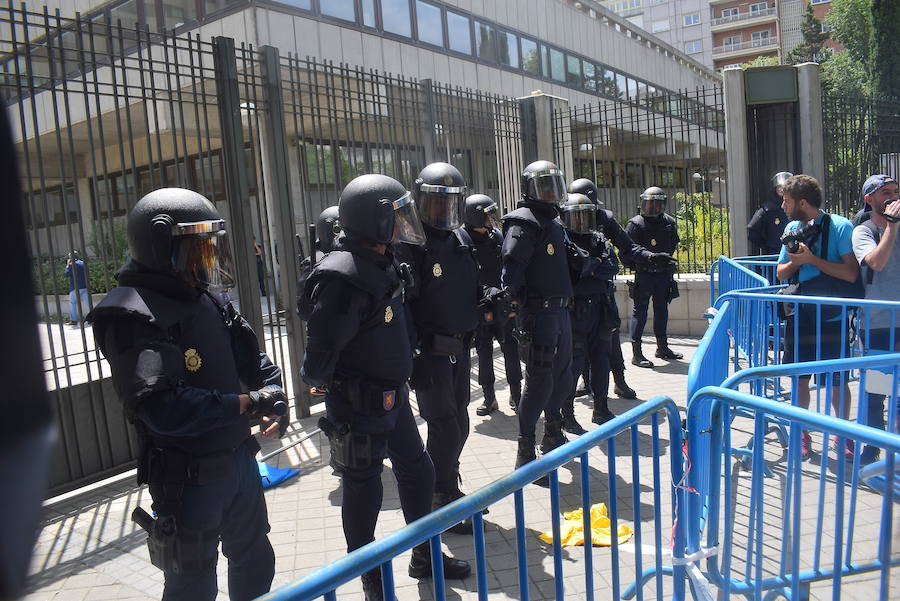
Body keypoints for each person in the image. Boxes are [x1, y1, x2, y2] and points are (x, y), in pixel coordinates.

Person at [87, 188, 288, 601]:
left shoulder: (209, 299)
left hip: (239, 462)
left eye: (209, 249)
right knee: (192, 585)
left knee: (255, 561)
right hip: (187, 478)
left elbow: (255, 361)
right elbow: (162, 407)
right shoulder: (131, 314)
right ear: (162, 245)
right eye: (196, 250)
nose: (205, 262)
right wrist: (247, 404)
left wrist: (277, 399)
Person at [300, 174, 470, 600]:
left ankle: (424, 555)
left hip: (393, 401)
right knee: (365, 492)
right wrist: (322, 382)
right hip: (358, 407)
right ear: (373, 221)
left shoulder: (383, 260)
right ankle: (371, 576)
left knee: (419, 471)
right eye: (395, 217)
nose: (403, 225)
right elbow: (320, 352)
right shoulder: (342, 276)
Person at [394, 162, 481, 532]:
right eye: (435, 204)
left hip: (460, 347)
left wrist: (489, 300)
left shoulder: (461, 240)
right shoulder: (410, 244)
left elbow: (472, 288)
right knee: (444, 426)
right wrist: (413, 352)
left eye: (449, 204)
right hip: (429, 352)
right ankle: (437, 498)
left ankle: (448, 484)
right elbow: (403, 304)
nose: (442, 212)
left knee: (459, 422)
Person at [559, 192, 675, 434]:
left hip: (601, 307)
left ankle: (601, 409)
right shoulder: (561, 238)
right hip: (574, 311)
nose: (582, 222)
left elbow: (614, 262)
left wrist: (651, 257)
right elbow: (575, 271)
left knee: (602, 358)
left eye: (586, 216)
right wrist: (590, 267)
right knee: (574, 363)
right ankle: (566, 415)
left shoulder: (599, 237)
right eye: (576, 217)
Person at [776, 174, 860, 460]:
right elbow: (780, 273)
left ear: (802, 202)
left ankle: (842, 432)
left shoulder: (839, 226)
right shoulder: (791, 228)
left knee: (838, 377)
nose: (783, 206)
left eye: (786, 201)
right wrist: (796, 261)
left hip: (832, 315)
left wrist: (812, 260)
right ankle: (800, 432)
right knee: (799, 376)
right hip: (799, 315)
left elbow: (850, 273)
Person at [502, 160, 575, 476]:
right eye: (543, 185)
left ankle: (552, 433)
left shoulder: (555, 224)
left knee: (564, 374)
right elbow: (511, 268)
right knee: (538, 381)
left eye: (553, 184)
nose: (550, 192)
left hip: (561, 311)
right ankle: (525, 446)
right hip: (539, 314)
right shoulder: (524, 222)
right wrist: (521, 306)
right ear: (530, 188)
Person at [852, 174, 900, 464]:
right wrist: (891, 227)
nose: (893, 196)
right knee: (877, 391)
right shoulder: (863, 232)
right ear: (870, 200)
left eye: (895, 191)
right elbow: (877, 263)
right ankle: (872, 450)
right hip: (879, 324)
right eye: (886, 192)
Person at [463, 193, 522, 415]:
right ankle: (489, 398)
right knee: (484, 352)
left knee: (511, 349)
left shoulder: (496, 236)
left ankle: (516, 396)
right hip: (480, 306)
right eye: (487, 215)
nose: (491, 219)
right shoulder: (463, 240)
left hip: (502, 303)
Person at [624, 186, 682, 367]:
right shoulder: (635, 224)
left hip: (663, 275)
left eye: (656, 204)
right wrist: (645, 263)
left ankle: (662, 348)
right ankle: (637, 353)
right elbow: (626, 253)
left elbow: (673, 244)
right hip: (645, 275)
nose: (652, 208)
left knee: (662, 310)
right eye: (649, 204)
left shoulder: (669, 223)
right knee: (639, 313)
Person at [748, 171, 792, 255]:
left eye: (785, 187)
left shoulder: (797, 206)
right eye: (779, 187)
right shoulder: (767, 208)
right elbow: (752, 229)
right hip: (774, 255)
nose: (782, 190)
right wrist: (766, 246)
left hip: (794, 253)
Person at [64, 250, 89, 325]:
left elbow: (66, 274)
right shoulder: (83, 263)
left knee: (72, 303)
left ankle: (73, 320)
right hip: (84, 286)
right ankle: (95, 317)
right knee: (88, 303)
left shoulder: (72, 264)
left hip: (75, 288)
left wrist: (67, 265)